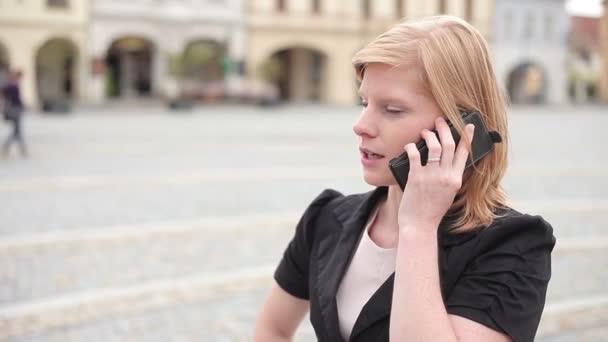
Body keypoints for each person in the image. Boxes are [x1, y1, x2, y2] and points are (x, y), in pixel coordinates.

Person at [254, 15, 555, 342]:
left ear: (461, 128)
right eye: (364, 102)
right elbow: (273, 329)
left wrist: (419, 227)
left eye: (392, 109)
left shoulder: (512, 246)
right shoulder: (327, 218)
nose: (361, 125)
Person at [2, 69, 27, 158]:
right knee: (17, 131)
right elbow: (9, 98)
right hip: (14, 110)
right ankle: (21, 149)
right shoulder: (11, 86)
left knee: (17, 131)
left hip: (16, 109)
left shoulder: (12, 85)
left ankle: (20, 149)